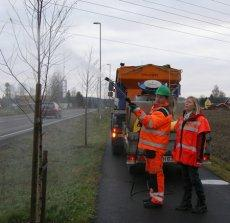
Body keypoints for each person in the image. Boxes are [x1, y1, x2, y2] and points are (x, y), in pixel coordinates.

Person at [129, 84, 172, 208]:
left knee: (156, 175)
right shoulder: (156, 110)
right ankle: (153, 198)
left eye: (161, 97)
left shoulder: (162, 112)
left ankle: (157, 201)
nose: (158, 99)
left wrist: (137, 110)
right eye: (157, 96)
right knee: (151, 175)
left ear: (166, 99)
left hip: (156, 150)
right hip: (151, 149)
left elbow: (149, 123)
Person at [172, 96, 211, 214]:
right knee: (186, 181)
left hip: (193, 157)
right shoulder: (183, 118)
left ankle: (202, 204)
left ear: (195, 105)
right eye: (185, 101)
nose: (186, 103)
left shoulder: (201, 120)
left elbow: (202, 141)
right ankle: (186, 203)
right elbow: (175, 129)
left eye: (189, 102)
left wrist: (199, 158)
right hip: (183, 156)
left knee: (195, 180)